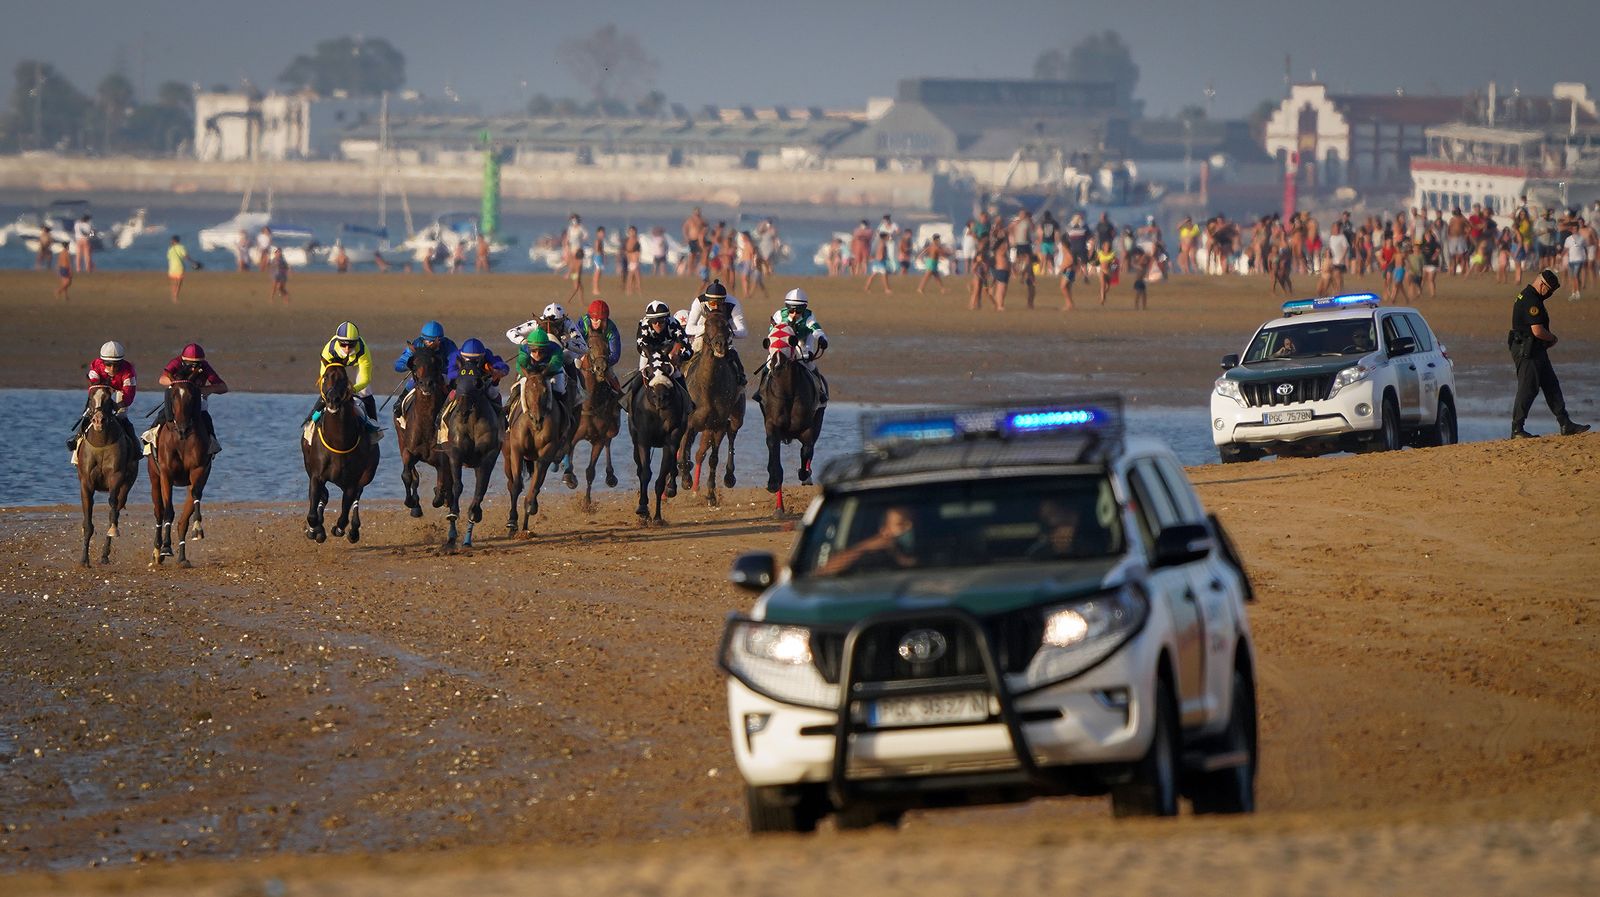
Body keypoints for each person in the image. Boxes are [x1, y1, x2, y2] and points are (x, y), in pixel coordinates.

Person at [1508, 269, 1590, 438]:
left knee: (1551, 384)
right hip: (1528, 350)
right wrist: (1552, 338)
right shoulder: (1531, 300)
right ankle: (1517, 428)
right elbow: (1537, 330)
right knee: (1528, 388)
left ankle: (1565, 423)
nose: (1550, 294)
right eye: (1550, 291)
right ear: (1542, 284)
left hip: (1535, 349)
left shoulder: (1530, 295)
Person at [144, 343, 228, 456]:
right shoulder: (176, 362)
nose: (193, 367)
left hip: (196, 397)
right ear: (183, 360)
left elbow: (223, 387)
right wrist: (177, 384)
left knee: (205, 415)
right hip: (178, 395)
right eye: (190, 364)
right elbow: (162, 379)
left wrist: (206, 389)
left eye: (197, 364)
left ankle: (212, 442)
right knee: (163, 414)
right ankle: (151, 438)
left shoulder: (205, 366)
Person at [760, 288, 828, 405]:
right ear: (787, 307)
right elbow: (772, 333)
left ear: (804, 308)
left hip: (803, 342)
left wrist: (822, 338)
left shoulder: (809, 316)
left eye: (799, 310)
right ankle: (761, 390)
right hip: (785, 343)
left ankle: (820, 391)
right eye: (791, 310)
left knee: (808, 364)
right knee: (768, 363)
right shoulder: (779, 315)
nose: (795, 313)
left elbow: (816, 330)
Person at [68, 341, 137, 453]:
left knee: (122, 416)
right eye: (108, 364)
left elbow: (129, 395)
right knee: (89, 414)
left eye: (116, 365)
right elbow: (94, 387)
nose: (112, 368)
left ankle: (134, 447)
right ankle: (77, 441)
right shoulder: (96, 366)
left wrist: (118, 405)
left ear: (122, 362)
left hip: (121, 390)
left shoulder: (128, 372)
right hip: (102, 388)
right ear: (102, 362)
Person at [309, 322, 379, 429]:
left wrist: (353, 389)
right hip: (333, 364)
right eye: (343, 344)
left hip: (357, 364)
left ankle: (374, 424)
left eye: (351, 345)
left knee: (365, 391)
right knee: (329, 389)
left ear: (356, 342)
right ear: (338, 342)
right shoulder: (328, 351)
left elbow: (366, 379)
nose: (347, 348)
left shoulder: (363, 352)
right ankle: (311, 421)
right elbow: (324, 377)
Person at [624, 299, 692, 403]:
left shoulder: (674, 324)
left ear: (667, 319)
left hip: (668, 352)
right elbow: (641, 346)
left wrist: (679, 356)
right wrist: (654, 358)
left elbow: (687, 347)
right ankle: (628, 402)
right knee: (641, 372)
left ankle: (688, 403)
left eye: (661, 321)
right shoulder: (644, 325)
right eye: (653, 322)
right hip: (649, 352)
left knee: (677, 375)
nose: (657, 324)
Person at [819, 505, 917, 575]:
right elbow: (823, 572)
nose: (910, 527)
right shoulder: (870, 560)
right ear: (885, 530)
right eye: (901, 524)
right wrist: (864, 547)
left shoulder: (929, 552)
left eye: (913, 522)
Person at [684, 279, 748, 384]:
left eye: (720, 303)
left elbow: (743, 331)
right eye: (713, 303)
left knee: (734, 355)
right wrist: (710, 330)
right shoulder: (699, 302)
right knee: (689, 357)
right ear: (707, 300)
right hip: (704, 334)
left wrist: (726, 332)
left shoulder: (733, 304)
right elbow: (689, 328)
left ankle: (740, 378)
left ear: (725, 300)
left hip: (724, 335)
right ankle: (684, 379)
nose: (716, 306)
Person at [393, 320, 459, 415]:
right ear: (423, 339)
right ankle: (400, 403)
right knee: (412, 382)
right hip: (423, 375)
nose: (431, 344)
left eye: (435, 341)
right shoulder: (416, 344)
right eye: (428, 341)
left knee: (450, 382)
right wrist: (411, 365)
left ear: (440, 340)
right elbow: (398, 365)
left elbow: (454, 364)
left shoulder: (449, 346)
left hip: (442, 373)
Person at [446, 337, 509, 423]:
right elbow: (450, 374)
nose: (471, 362)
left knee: (494, 394)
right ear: (462, 355)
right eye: (467, 359)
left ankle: (502, 419)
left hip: (481, 384)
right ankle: (441, 417)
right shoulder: (455, 356)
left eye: (476, 360)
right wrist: (468, 373)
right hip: (462, 385)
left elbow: (503, 366)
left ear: (482, 356)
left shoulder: (487, 353)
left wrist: (496, 370)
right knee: (452, 395)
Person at [514, 327, 570, 409]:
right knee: (515, 390)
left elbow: (555, 363)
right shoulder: (524, 350)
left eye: (541, 351)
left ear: (547, 348)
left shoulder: (556, 349)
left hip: (552, 371)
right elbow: (520, 365)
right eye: (534, 350)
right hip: (530, 373)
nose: (537, 354)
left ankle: (567, 414)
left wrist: (545, 371)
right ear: (529, 348)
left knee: (560, 389)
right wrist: (530, 375)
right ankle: (508, 411)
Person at [578, 299, 624, 393]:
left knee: (611, 375)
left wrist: (605, 362)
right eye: (594, 319)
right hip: (583, 355)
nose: (597, 322)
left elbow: (615, 354)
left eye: (601, 320)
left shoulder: (611, 329)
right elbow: (575, 342)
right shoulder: (583, 323)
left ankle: (619, 396)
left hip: (603, 360)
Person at [166, 234, 202, 304]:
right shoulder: (181, 247)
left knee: (173, 283)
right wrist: (193, 262)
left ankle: (173, 296)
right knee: (179, 283)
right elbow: (186, 257)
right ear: (178, 240)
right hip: (179, 267)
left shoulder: (170, 249)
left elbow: (169, 258)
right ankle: (175, 297)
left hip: (171, 268)